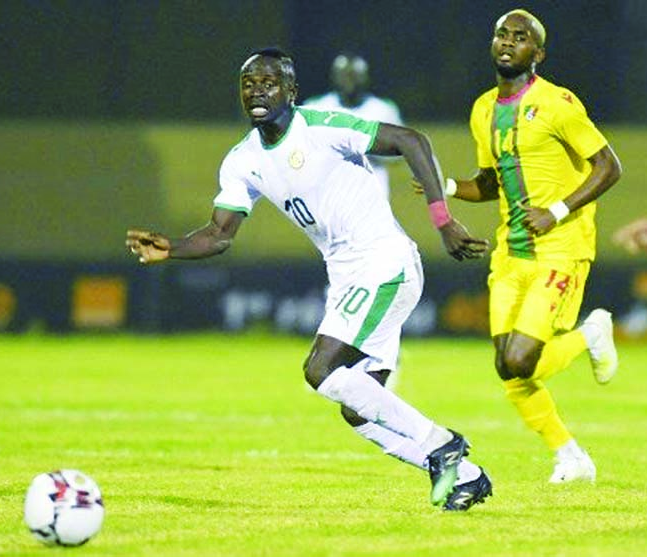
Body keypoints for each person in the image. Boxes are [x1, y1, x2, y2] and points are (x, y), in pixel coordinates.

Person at [127, 47, 493, 511]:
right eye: (248, 83)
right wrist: (173, 247)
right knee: (358, 408)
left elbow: (412, 141)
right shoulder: (242, 160)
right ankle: (467, 476)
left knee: (319, 370)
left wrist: (443, 221)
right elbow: (220, 234)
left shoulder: (321, 128)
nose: (257, 90)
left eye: (268, 82)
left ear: (291, 91)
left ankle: (440, 443)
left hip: (383, 263)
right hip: (347, 277)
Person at [416, 10, 623, 483]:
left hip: (560, 247)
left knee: (519, 359)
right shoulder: (483, 109)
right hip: (511, 253)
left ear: (538, 54)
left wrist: (557, 212)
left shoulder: (558, 104)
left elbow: (609, 167)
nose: (509, 42)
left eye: (521, 37)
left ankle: (589, 335)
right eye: (502, 34)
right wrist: (446, 185)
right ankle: (570, 455)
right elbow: (491, 182)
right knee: (507, 368)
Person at [303, 53, 403, 198]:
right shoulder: (316, 108)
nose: (349, 82)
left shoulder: (382, 110)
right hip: (330, 192)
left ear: (364, 78)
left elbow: (397, 155)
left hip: (372, 191)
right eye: (344, 76)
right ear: (335, 77)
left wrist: (370, 147)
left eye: (353, 76)